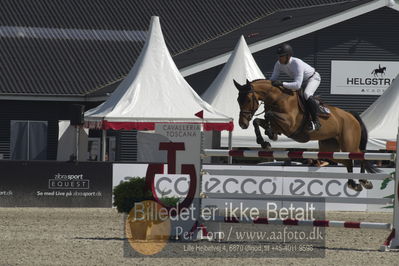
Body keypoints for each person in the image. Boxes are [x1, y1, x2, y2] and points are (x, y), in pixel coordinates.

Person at [270, 43, 321, 131]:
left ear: (288, 56)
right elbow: (272, 79)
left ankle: (316, 122)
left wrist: (282, 83)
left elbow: (297, 85)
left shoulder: (297, 63)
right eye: (278, 56)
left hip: (313, 78)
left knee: (307, 94)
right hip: (301, 82)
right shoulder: (278, 64)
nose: (279, 58)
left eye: (281, 56)